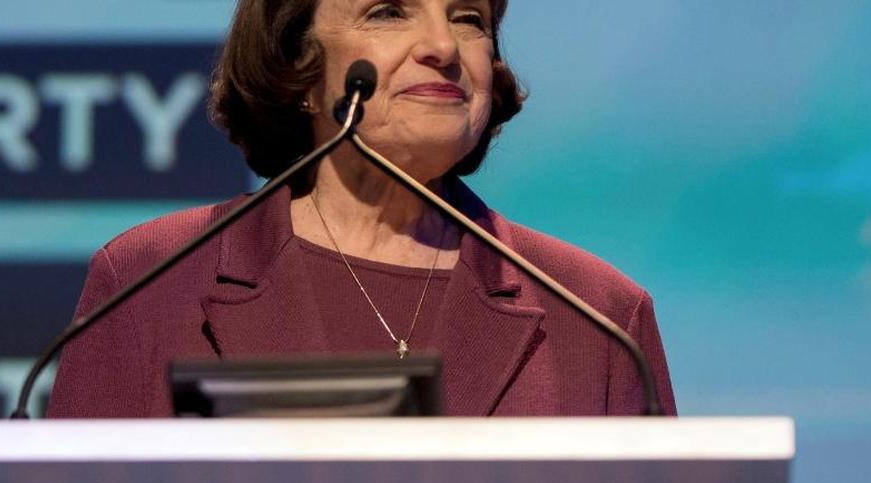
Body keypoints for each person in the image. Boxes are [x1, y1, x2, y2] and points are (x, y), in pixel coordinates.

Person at [47, 0, 676, 417]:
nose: (442, 46)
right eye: (387, 11)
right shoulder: (149, 281)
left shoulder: (599, 317)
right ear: (299, 64)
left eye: (468, 19)